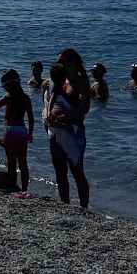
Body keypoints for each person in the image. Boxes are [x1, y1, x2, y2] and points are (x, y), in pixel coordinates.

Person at [43, 63, 91, 207]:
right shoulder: (49, 85)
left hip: (71, 133)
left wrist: (60, 119)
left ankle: (84, 206)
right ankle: (65, 203)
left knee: (77, 172)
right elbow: (47, 105)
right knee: (60, 170)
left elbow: (81, 111)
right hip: (54, 132)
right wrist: (51, 119)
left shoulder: (79, 85)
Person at [0, 69, 34, 192]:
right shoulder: (25, 98)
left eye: (4, 85)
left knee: (11, 162)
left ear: (9, 84)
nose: (3, 88)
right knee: (23, 162)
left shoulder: (7, 99)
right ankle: (25, 189)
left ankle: (13, 186)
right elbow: (31, 118)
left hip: (9, 131)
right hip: (22, 131)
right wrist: (30, 133)